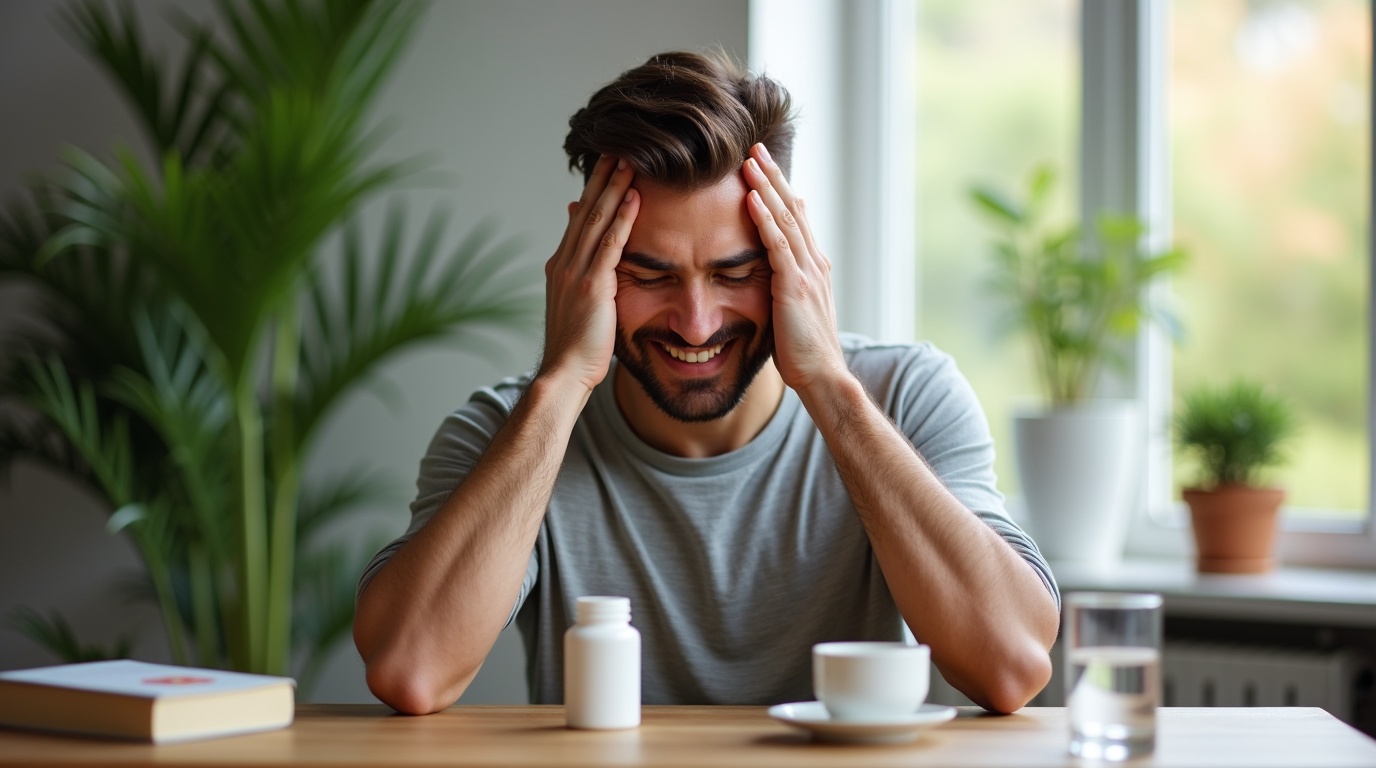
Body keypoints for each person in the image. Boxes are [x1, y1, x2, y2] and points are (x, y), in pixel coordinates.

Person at [352, 50, 1060, 716]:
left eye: (735, 274)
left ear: (793, 265)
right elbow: (411, 668)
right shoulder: (507, 430)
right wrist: (564, 379)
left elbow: (1011, 665)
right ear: (584, 266)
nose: (695, 324)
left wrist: (830, 389)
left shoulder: (906, 395)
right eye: (650, 275)